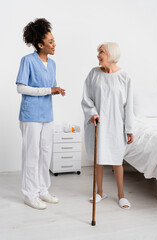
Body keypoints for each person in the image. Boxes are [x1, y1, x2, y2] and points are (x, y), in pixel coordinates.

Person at [16, 18, 65, 210]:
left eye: (54, 40)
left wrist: (56, 90)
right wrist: (48, 90)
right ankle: (30, 194)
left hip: (47, 114)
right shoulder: (27, 61)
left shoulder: (51, 64)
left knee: (45, 153)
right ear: (40, 44)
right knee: (32, 154)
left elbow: (48, 87)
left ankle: (43, 190)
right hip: (31, 115)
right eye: (50, 41)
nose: (54, 44)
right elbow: (21, 88)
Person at [81, 42, 134, 209]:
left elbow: (129, 105)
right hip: (99, 123)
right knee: (99, 159)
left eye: (101, 52)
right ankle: (99, 192)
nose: (98, 55)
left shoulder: (125, 77)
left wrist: (129, 129)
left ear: (110, 54)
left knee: (117, 161)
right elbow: (86, 98)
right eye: (98, 52)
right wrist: (92, 113)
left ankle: (121, 195)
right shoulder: (93, 74)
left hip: (117, 124)